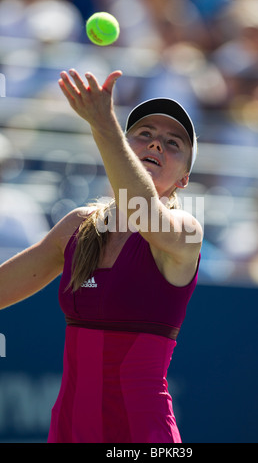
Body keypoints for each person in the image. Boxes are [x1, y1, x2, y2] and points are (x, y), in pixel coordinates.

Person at [0, 68, 202, 443]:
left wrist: (103, 124)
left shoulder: (186, 231)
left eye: (172, 143)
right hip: (68, 432)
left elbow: (140, 208)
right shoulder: (76, 227)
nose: (157, 145)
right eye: (145, 135)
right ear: (125, 147)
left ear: (184, 178)